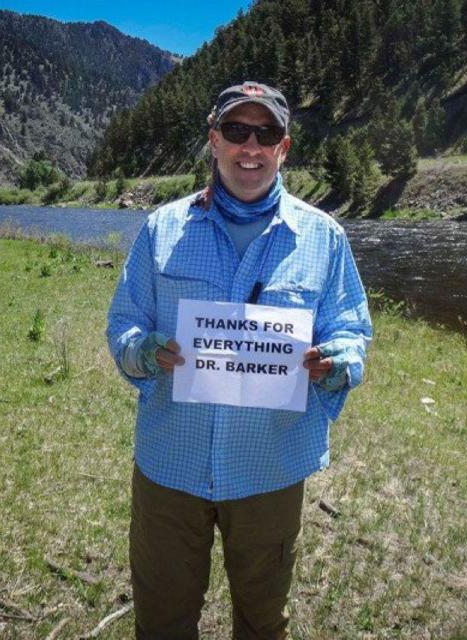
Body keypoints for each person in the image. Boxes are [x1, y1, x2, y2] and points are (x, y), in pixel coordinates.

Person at [106, 81, 372, 639]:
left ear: (284, 147)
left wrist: (337, 361)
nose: (250, 146)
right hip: (169, 465)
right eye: (236, 131)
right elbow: (124, 327)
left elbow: (351, 332)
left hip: (270, 468)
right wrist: (143, 352)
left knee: (261, 621)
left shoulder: (324, 238)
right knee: (162, 619)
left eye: (265, 133)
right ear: (214, 140)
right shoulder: (163, 229)